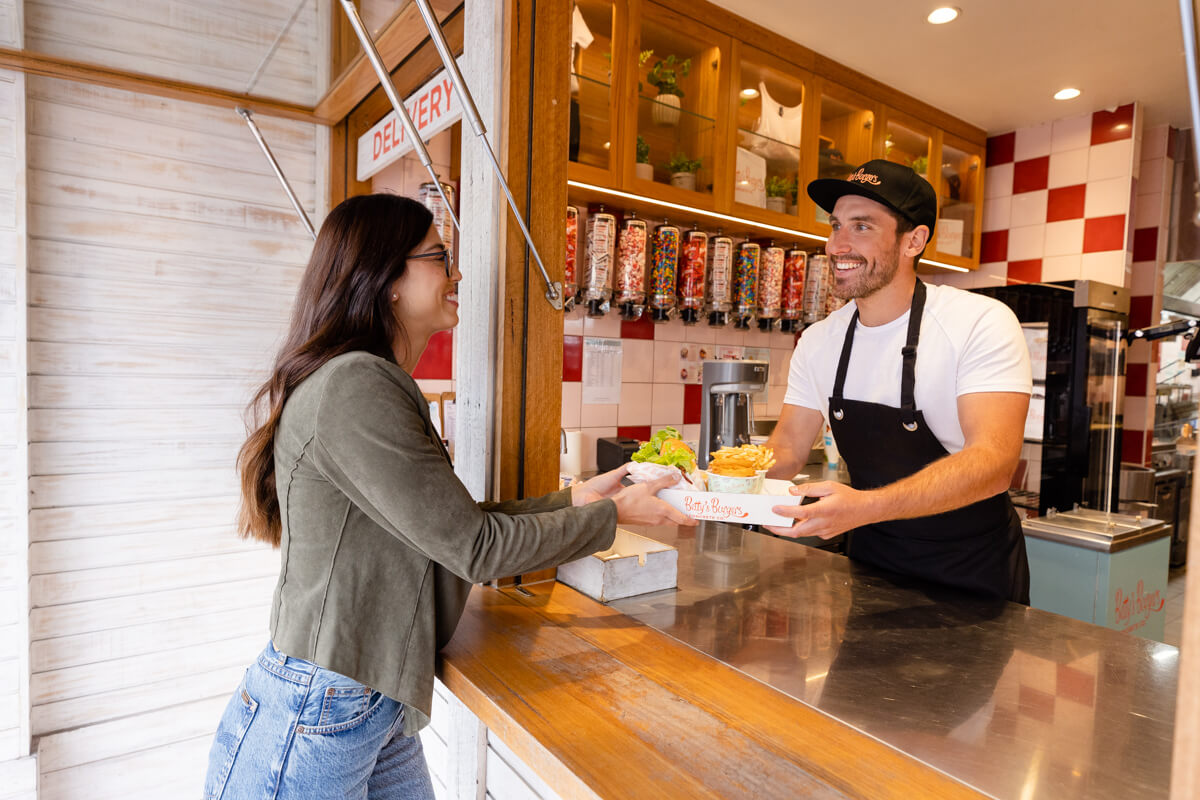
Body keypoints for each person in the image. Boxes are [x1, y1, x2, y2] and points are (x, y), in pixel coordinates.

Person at [203, 193, 694, 800]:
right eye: (438, 256)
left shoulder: (366, 381)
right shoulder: (358, 384)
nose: (456, 272)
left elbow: (448, 525)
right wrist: (611, 516)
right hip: (320, 705)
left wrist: (576, 501)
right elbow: (474, 547)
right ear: (386, 280)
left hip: (362, 697)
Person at [764, 159, 1032, 604]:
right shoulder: (818, 340)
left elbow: (994, 463)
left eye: (862, 226)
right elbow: (789, 447)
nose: (837, 245)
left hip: (972, 572)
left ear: (915, 240)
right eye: (836, 226)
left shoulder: (980, 322)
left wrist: (864, 507)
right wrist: (716, 484)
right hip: (871, 564)